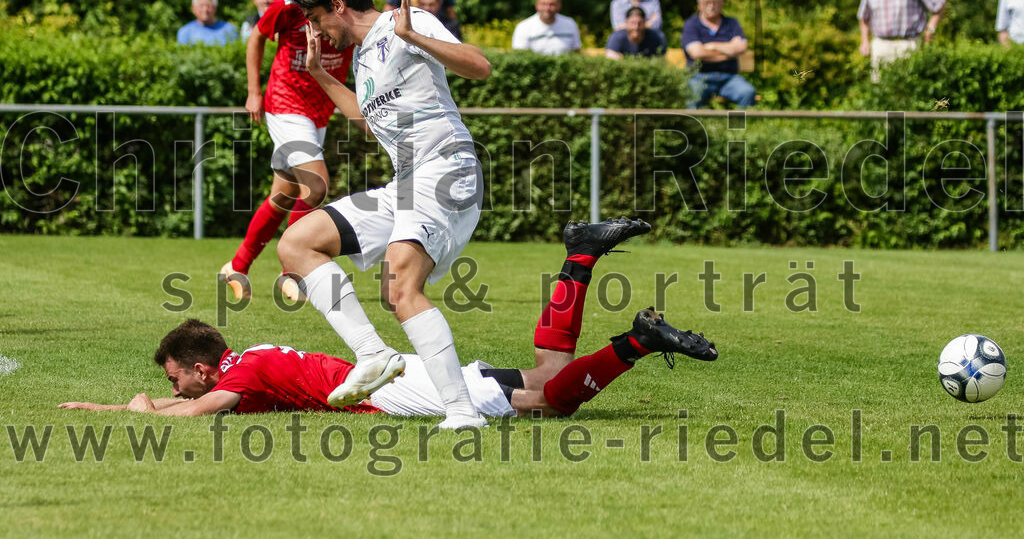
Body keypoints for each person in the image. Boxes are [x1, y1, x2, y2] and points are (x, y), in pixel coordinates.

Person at [60, 220, 718, 418]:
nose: (177, 388)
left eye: (177, 378)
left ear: (201, 369)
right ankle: (579, 254)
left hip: (399, 393)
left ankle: (639, 337)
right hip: (401, 377)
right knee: (550, 372)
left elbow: (189, 416)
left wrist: (128, 409)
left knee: (551, 400)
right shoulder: (249, 356)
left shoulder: (243, 375)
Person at [280, 0, 492, 430]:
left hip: (446, 166)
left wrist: (413, 35)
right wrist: (320, 73)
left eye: (315, 18)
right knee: (298, 243)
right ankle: (372, 354)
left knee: (400, 282)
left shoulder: (407, 21)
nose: (317, 30)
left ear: (337, 5)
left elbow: (480, 66)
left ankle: (462, 413)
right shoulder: (359, 57)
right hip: (407, 182)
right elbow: (369, 119)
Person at [219, 0, 355, 304]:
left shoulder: (350, 1)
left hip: (321, 108)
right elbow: (257, 37)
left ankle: (237, 265)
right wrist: (253, 91)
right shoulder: (290, 2)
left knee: (285, 194)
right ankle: (291, 272)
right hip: (285, 101)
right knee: (317, 184)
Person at [681, 0, 756, 108]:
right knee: (693, 93)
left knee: (747, 92)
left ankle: (736, 126)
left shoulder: (732, 23)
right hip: (699, 77)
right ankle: (694, 127)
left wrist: (713, 46)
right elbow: (696, 53)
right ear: (699, 4)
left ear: (722, 3)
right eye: (707, 2)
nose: (711, 6)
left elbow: (742, 47)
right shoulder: (691, 24)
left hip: (729, 78)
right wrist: (729, 52)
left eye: (715, 2)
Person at [511, 0, 581, 56]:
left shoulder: (570, 24)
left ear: (559, 5)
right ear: (537, 5)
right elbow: (519, 57)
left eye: (552, 4)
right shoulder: (523, 27)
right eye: (543, 4)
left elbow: (576, 54)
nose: (547, 8)